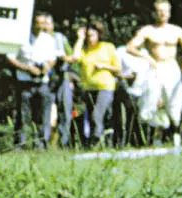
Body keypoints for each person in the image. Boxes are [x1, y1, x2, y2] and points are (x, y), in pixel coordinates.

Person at [126, 0, 182, 140]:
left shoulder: (176, 31)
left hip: (171, 67)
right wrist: (147, 57)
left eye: (165, 11)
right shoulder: (147, 30)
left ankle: (176, 137)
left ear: (170, 13)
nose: (162, 14)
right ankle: (150, 138)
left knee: (175, 102)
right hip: (155, 67)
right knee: (150, 101)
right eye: (159, 11)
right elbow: (130, 47)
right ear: (154, 13)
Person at [8, 12, 69, 149]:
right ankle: (20, 145)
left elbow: (53, 58)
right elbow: (11, 58)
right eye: (38, 23)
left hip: (42, 82)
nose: (41, 26)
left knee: (43, 116)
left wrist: (46, 68)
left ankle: (41, 144)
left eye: (43, 23)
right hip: (24, 81)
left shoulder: (48, 39)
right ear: (32, 23)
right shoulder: (21, 37)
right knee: (22, 116)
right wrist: (27, 68)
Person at [72, 22, 125, 145]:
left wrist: (104, 66)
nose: (90, 39)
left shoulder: (108, 47)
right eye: (88, 36)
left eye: (92, 35)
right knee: (91, 117)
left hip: (105, 87)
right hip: (89, 88)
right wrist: (80, 38)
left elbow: (118, 69)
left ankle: (97, 140)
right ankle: (96, 141)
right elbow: (75, 57)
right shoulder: (85, 50)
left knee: (97, 115)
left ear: (98, 35)